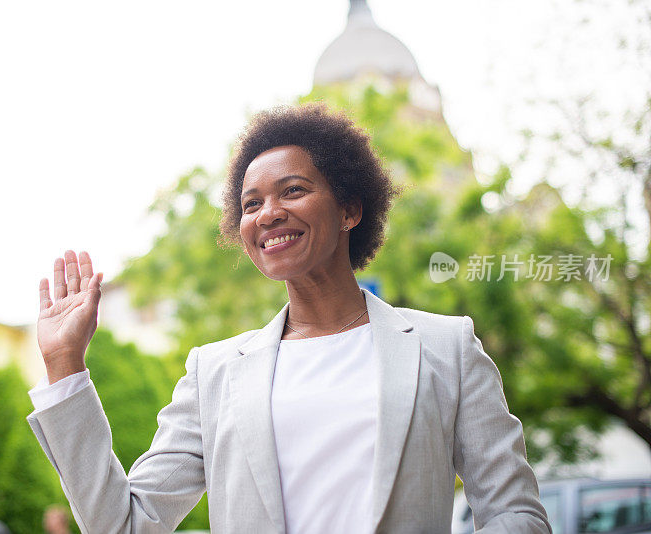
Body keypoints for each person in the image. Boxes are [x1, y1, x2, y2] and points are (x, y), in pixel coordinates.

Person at [27, 103, 551, 533]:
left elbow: (516, 513)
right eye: (251, 203)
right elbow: (123, 524)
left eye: (292, 191)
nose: (268, 212)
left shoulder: (447, 348)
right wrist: (65, 363)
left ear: (350, 210)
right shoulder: (214, 374)